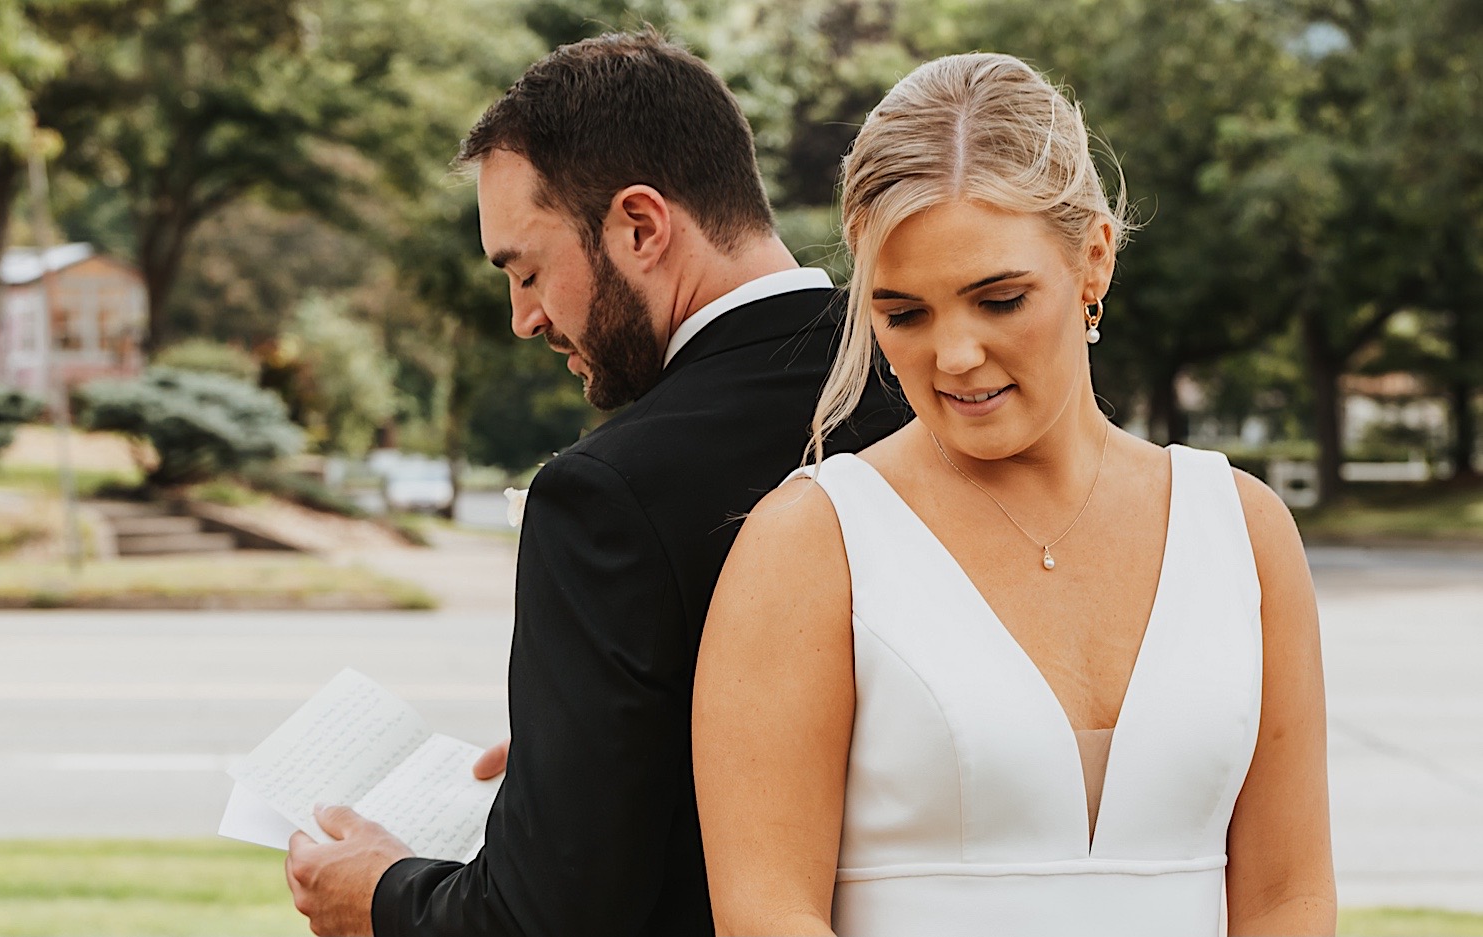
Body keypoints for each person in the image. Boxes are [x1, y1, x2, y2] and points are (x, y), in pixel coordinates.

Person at [693, 52, 1336, 937]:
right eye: (904, 313)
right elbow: (768, 912)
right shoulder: (812, 542)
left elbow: (1287, 898)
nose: (952, 354)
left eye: (998, 299)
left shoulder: (1244, 529)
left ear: (1094, 261)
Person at [281, 29, 904, 937]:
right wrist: (578, 760)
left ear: (641, 227)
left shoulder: (607, 493)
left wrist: (378, 893)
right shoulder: (936, 389)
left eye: (527, 270)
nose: (524, 317)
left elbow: (549, 916)